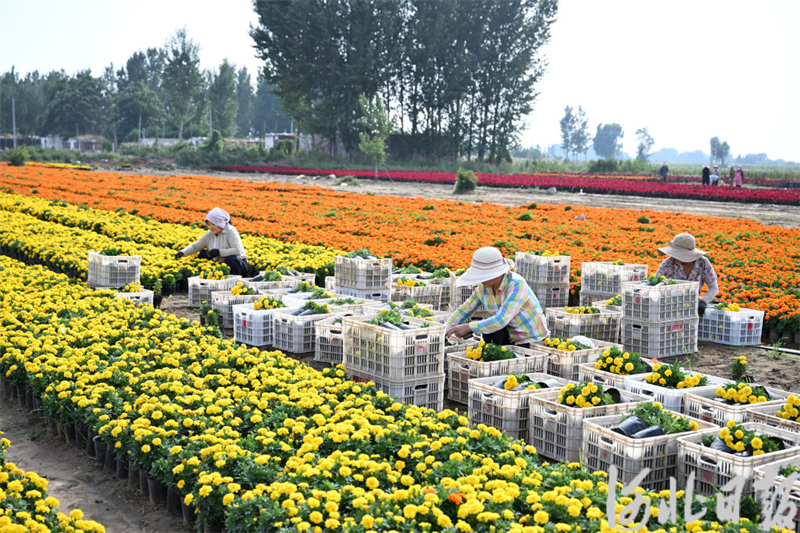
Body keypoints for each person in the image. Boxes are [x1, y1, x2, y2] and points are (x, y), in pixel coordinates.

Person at [445, 247, 548, 347]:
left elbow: (501, 319)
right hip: (508, 335)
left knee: (490, 329)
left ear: (496, 273)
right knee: (488, 331)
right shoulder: (483, 288)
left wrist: (469, 327)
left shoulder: (516, 284)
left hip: (531, 339)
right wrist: (444, 330)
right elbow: (464, 310)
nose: (481, 280)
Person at [655, 233, 718, 316]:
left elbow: (713, 287)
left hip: (695, 308)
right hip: (670, 308)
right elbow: (655, 286)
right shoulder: (667, 264)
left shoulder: (703, 263)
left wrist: (703, 302)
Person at [174, 207, 250, 276]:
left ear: (220, 223)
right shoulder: (209, 234)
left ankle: (235, 279)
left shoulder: (230, 231)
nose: (211, 227)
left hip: (239, 264)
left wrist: (219, 252)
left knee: (231, 260)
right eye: (209, 224)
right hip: (221, 264)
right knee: (202, 254)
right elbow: (195, 246)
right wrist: (183, 252)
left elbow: (237, 250)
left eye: (213, 224)